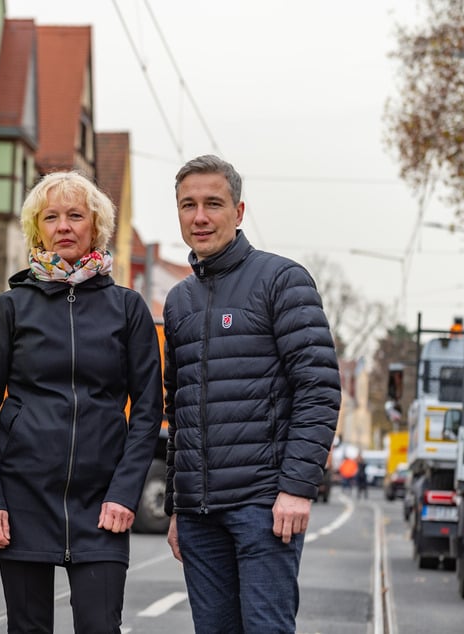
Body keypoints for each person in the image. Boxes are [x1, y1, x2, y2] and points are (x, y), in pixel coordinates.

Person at [0, 171, 164, 633]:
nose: (64, 227)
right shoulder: (10, 309)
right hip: (23, 498)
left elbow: (147, 412)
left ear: (96, 226)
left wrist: (124, 493)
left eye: (75, 215)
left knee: (100, 626)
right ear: (37, 229)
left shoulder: (127, 308)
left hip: (102, 503)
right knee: (28, 628)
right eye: (50, 217)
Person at [162, 154, 340, 634]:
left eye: (213, 204)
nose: (200, 217)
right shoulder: (178, 301)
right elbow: (178, 410)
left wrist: (297, 489)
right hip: (199, 515)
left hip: (263, 508)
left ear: (238, 211)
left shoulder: (281, 281)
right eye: (188, 205)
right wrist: (176, 507)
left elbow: (319, 389)